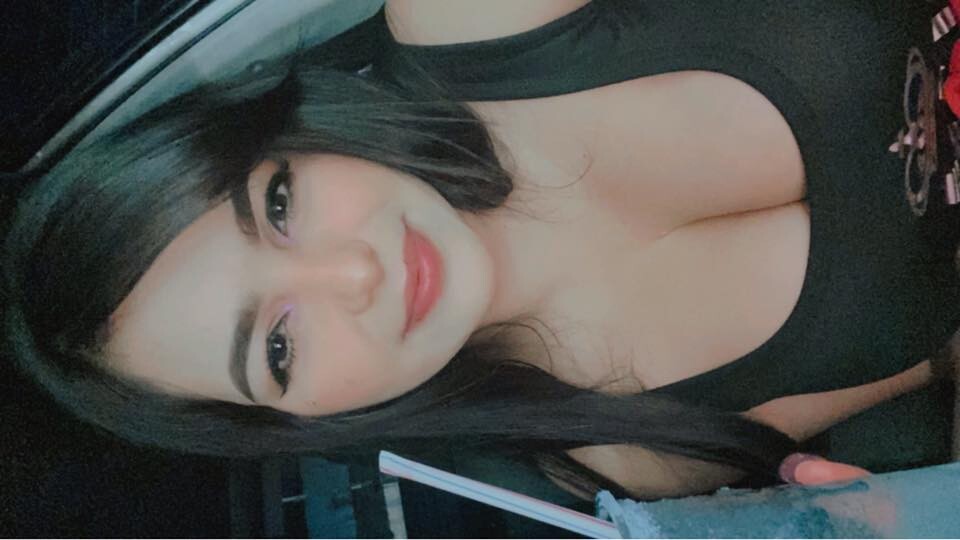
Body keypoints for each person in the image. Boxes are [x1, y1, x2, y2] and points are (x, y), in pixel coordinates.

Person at [3, 0, 955, 503]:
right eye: (279, 347)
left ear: (282, 139)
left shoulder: (470, 17)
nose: (357, 274)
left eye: (280, 204)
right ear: (291, 423)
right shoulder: (630, 455)